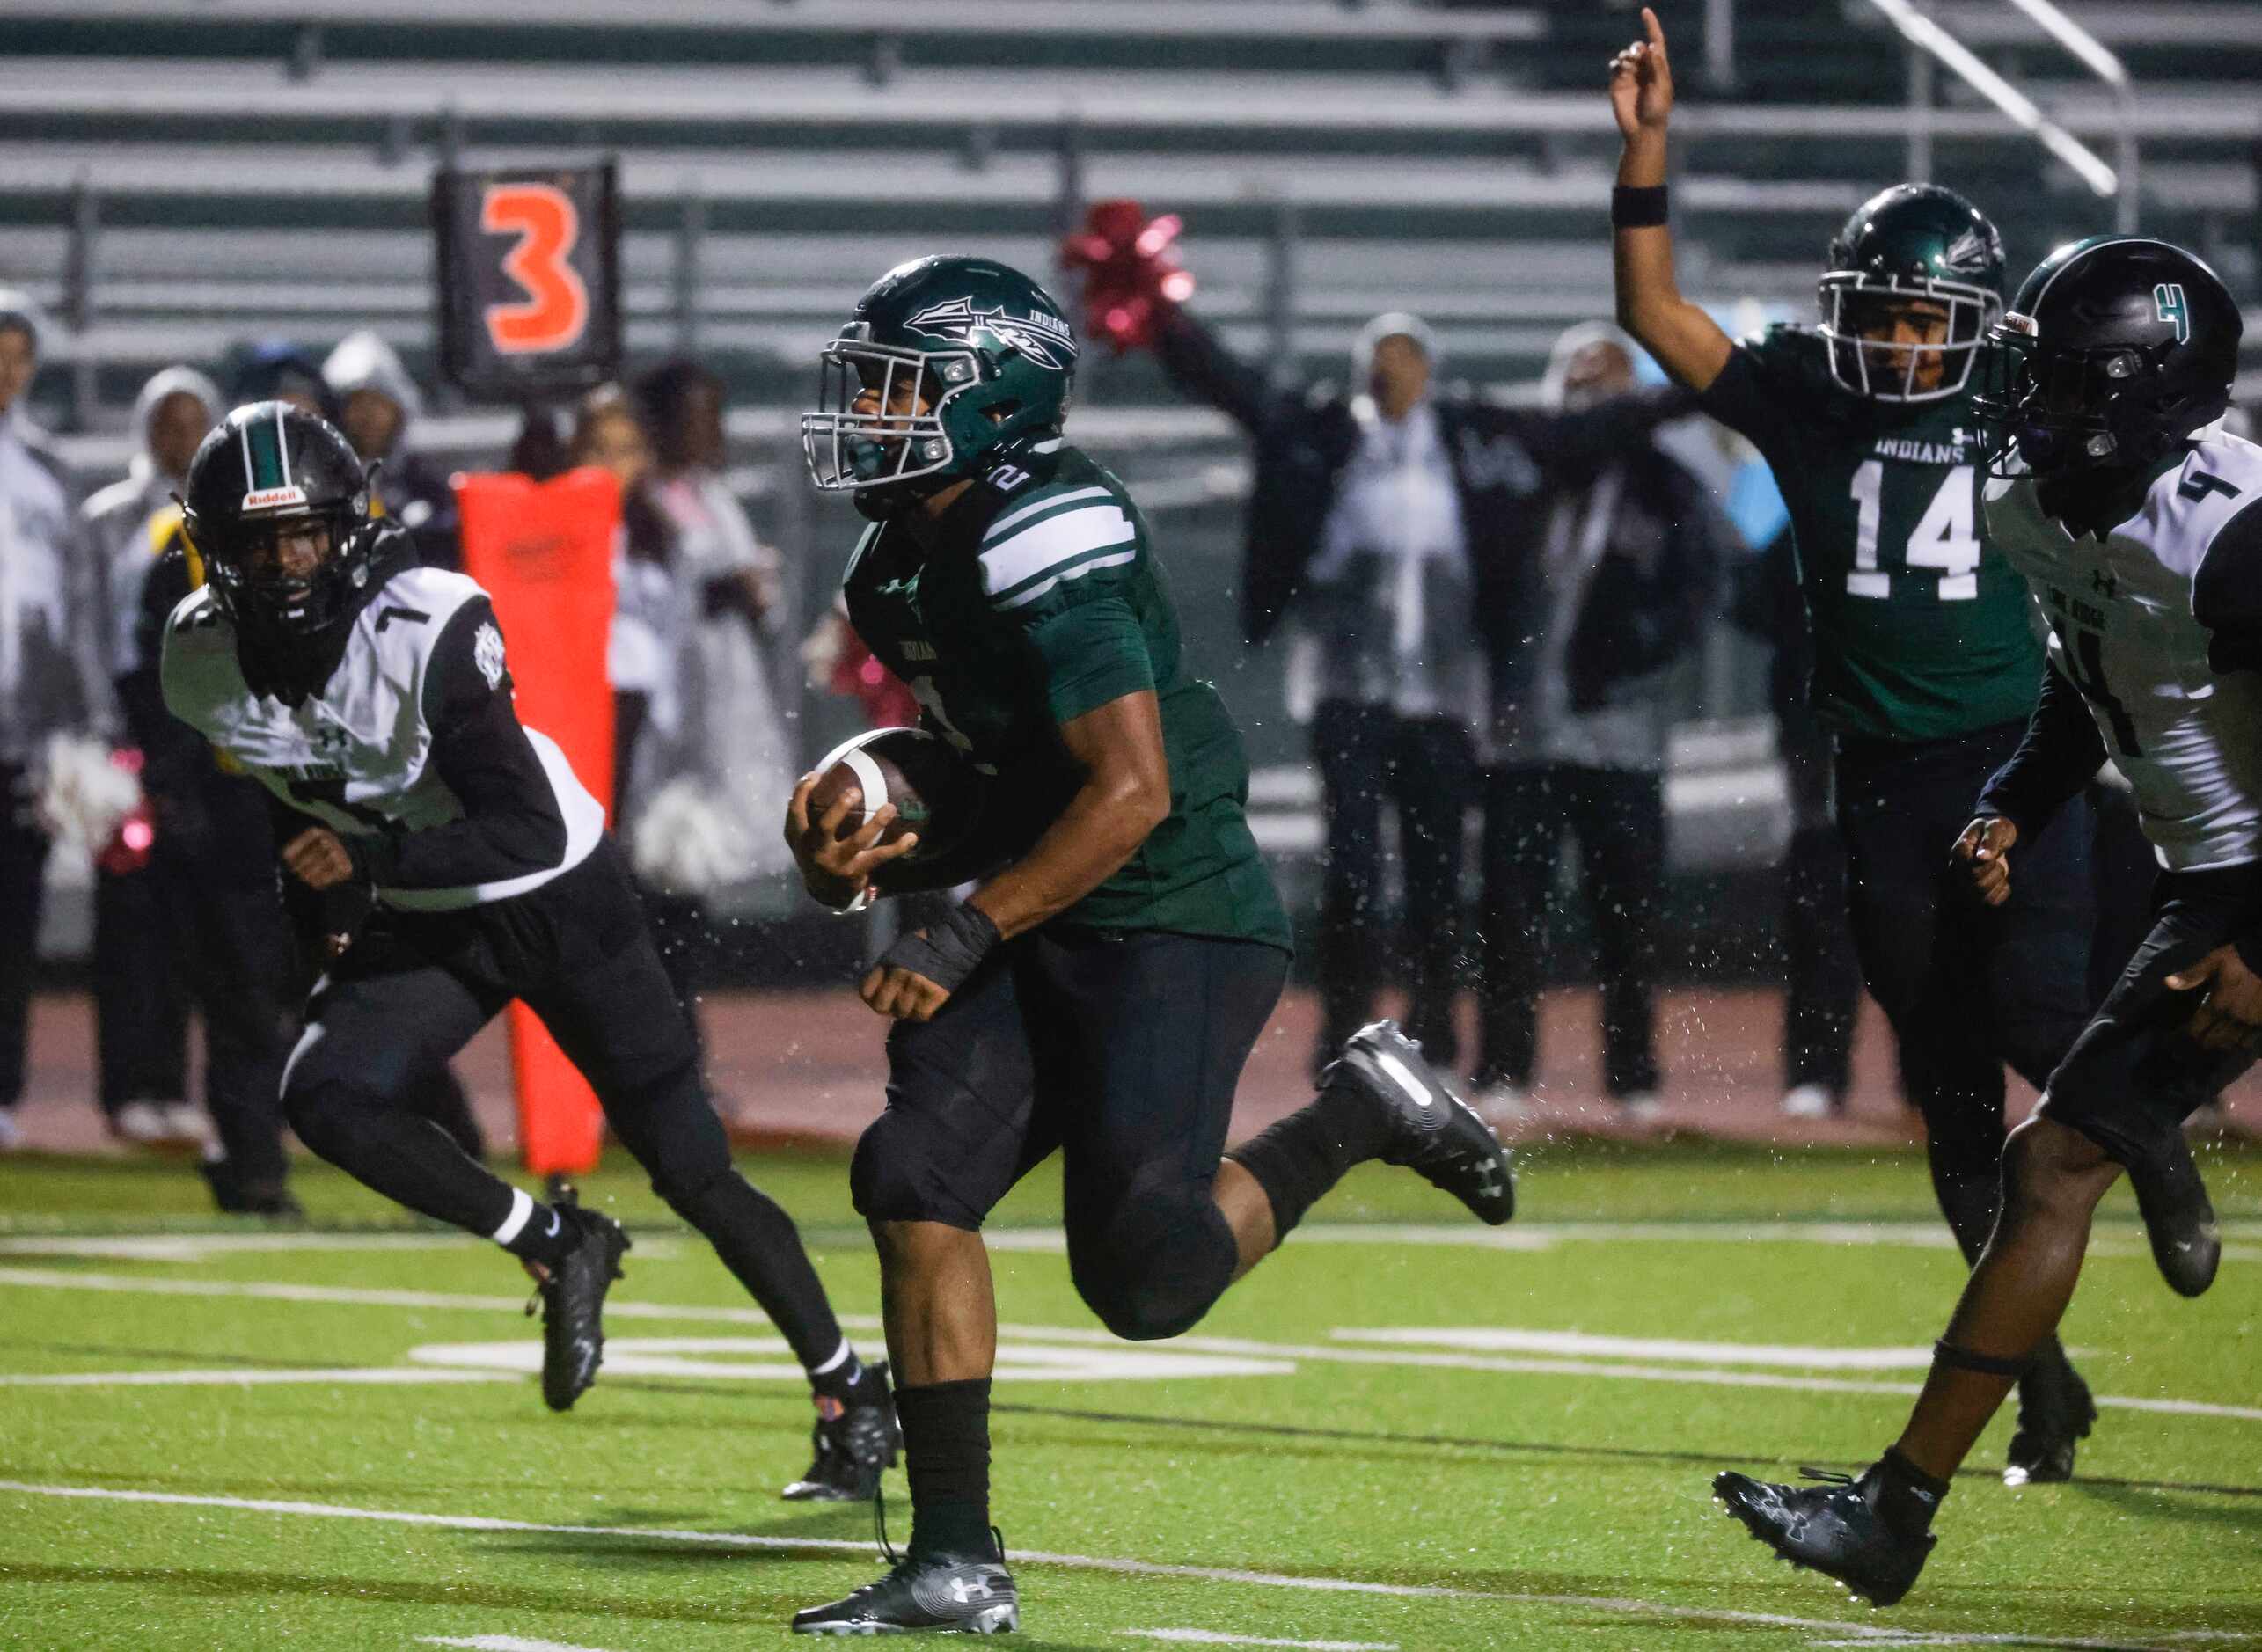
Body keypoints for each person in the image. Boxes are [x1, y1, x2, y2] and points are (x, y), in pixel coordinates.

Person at [784, 255, 1514, 1636]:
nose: (868, 413)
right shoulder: (895, 561)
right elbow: (994, 778)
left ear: (991, 397)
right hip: (1052, 900)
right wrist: (868, 833)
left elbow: (1128, 792)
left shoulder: (1044, 524)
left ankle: (1358, 1109)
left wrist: (958, 924)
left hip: (1173, 909)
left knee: (1145, 1277)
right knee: (912, 1171)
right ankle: (953, 1558)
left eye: (898, 387)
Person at [162, 400, 896, 1496]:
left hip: (556, 897)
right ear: (212, 549)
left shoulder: (428, 623)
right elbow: (291, 796)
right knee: (324, 1094)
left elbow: (527, 827)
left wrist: (363, 879)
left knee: (693, 1171)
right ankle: (553, 1240)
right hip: (426, 907)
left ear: (348, 527)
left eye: (305, 532)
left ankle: (848, 1391)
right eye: (258, 541)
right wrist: (331, 913)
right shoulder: (200, 658)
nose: (283, 563)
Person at [1713, 235, 2251, 1607]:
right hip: (2212, 878)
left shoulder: (2230, 531)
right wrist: (2014, 797)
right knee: (2052, 1160)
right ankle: (1891, 1513)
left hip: (2248, 882)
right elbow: (2086, 680)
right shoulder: (2044, 506)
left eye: (2060, 381)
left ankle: (1893, 1512)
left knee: (2052, 1156)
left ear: (2140, 392)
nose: (2026, 404)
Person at [1609, 7, 2098, 1481]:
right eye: (1873, 309)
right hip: (1879, 775)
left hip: (2022, 757)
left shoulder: (2030, 397)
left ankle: (2147, 1147)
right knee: (1945, 1088)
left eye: (1915, 313)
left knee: (2048, 1027)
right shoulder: (1813, 403)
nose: (1892, 335)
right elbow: (1657, 317)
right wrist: (1645, 157)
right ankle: (2040, 1377)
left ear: (1976, 318)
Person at [1143, 280, 1691, 1075]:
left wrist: (1701, 383)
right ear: (1360, 369)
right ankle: (1342, 1037)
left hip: (1447, 692)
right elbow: (1235, 388)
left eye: (1405, 359)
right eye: (1378, 360)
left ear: (1429, 371)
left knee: (1439, 875)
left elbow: (1588, 429)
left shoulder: (1473, 438)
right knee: (1354, 869)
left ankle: (1435, 1036)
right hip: (1346, 688)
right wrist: (1161, 320)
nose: (1391, 375)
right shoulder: (1326, 433)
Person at [1473, 322, 1731, 1120]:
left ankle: (1633, 1079)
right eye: (1576, 378)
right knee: (1510, 912)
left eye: (1607, 378)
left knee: (1627, 918)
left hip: (1621, 736)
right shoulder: (1516, 480)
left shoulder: (1666, 486)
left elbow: (1693, 598)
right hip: (1521, 729)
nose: (1590, 394)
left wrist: (1633, 657)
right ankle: (1504, 1071)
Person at [82, 365, 221, 1146]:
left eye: (194, 421)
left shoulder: (222, 519)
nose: (180, 437)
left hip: (196, 738)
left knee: (187, 921)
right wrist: (107, 742)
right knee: (130, 920)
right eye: (167, 421)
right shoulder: (108, 518)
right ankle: (128, 1086)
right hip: (131, 734)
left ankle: (170, 1087)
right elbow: (90, 627)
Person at [0, 291, 109, 1155]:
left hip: (22, 739)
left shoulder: (48, 469)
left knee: (13, 922)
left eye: (19, 355)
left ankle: (2, 1094)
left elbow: (78, 607)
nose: (9, 370)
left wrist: (80, 729)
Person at [1731, 522, 1864, 1117]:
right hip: (1825, 726)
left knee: (1908, 919)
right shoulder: (1812, 509)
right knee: (1821, 908)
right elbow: (1750, 602)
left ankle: (1922, 1076)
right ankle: (1817, 1069)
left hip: (1895, 733)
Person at [324, 330, 460, 570]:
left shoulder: (425, 488)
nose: (368, 416)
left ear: (399, 411)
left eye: (378, 403)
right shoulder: (323, 487)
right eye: (357, 402)